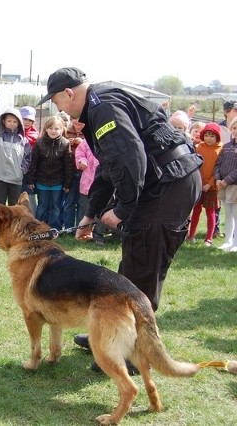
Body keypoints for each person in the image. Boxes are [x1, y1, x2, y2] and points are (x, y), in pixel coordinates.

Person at [40, 67, 202, 372]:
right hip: (164, 181)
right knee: (133, 260)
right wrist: (90, 214)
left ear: (69, 94)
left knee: (144, 262)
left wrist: (124, 209)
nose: (58, 108)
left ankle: (127, 353)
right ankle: (109, 331)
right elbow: (109, 167)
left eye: (58, 101)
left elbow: (131, 159)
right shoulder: (99, 106)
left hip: (168, 184)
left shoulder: (103, 108)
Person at [25, 116, 73, 231]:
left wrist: (67, 184)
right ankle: (39, 227)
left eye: (57, 128)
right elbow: (33, 163)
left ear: (62, 130)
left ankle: (55, 228)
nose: (53, 131)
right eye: (50, 128)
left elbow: (68, 165)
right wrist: (30, 180)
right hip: (42, 181)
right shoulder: (39, 143)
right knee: (42, 205)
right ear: (46, 129)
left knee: (56, 206)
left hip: (58, 182)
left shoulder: (65, 144)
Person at [0, 87, 30, 210]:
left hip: (15, 180)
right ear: (4, 121)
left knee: (13, 208)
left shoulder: (23, 141)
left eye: (15, 121)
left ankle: (11, 229)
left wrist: (21, 171)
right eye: (9, 121)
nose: (12, 123)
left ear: (19, 123)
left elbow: (27, 159)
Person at [187, 122, 222, 246]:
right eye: (206, 135)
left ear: (217, 137)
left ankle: (209, 238)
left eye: (212, 136)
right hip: (198, 185)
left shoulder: (220, 149)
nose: (209, 138)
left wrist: (210, 183)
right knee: (195, 211)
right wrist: (198, 182)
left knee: (210, 212)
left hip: (211, 187)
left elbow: (219, 169)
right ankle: (191, 235)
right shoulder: (199, 147)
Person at [215, 116, 237, 252]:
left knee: (236, 214)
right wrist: (217, 178)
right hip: (223, 185)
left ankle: (235, 243)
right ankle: (228, 241)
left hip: (234, 186)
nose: (236, 131)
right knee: (227, 213)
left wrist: (226, 180)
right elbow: (218, 163)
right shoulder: (226, 146)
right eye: (235, 128)